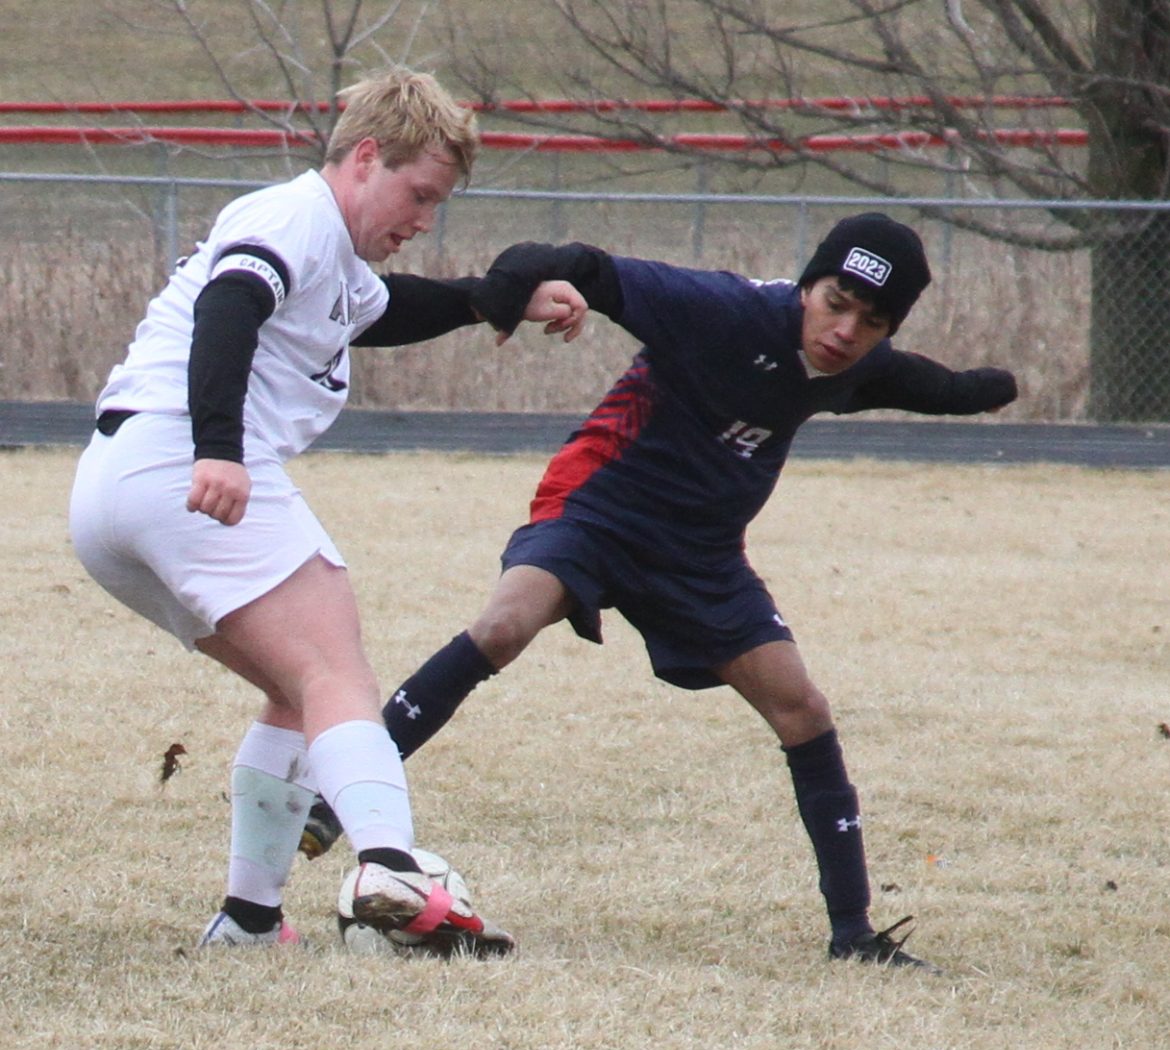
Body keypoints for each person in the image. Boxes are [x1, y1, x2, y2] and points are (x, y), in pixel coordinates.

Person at [302, 212, 1018, 970]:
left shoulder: (855, 370)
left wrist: (985, 390)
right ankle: (339, 798)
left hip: (700, 554)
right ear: (808, 285)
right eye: (835, 301)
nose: (844, 329)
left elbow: (932, 386)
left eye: (870, 322)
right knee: (505, 627)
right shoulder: (722, 308)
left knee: (802, 710)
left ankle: (854, 936)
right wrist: (508, 291)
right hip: (600, 505)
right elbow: (581, 262)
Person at [68, 67, 587, 953]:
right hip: (177, 459)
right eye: (418, 193)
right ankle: (392, 866)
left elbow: (382, 312)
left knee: (293, 690)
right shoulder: (291, 215)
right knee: (335, 674)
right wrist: (221, 448)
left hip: (113, 492)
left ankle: (250, 918)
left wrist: (490, 300)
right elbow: (230, 306)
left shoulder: (332, 256)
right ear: (366, 157)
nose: (421, 217)